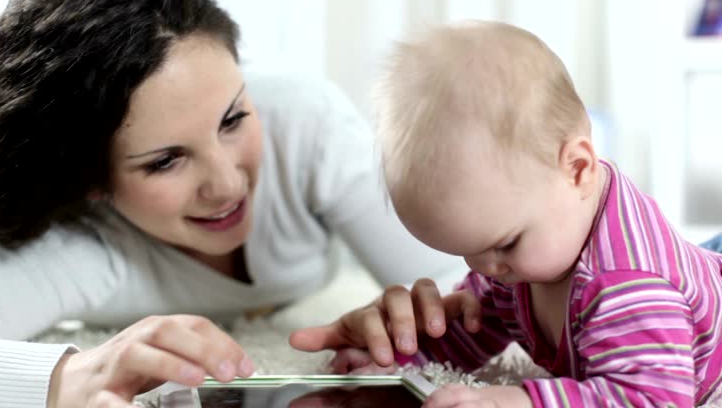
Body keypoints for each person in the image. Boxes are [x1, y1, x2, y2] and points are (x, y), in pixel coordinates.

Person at [0, 0, 464, 407]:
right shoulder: (79, 246)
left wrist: (416, 318)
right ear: (93, 185)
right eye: (165, 161)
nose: (227, 184)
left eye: (234, 118)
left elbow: (471, 286)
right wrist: (64, 378)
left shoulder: (304, 126)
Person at [290, 21, 722, 407]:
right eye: (468, 252)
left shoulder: (629, 284)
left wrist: (518, 400)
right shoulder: (522, 246)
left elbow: (653, 399)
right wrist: (402, 361)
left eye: (503, 244)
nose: (483, 269)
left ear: (577, 169)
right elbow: (477, 326)